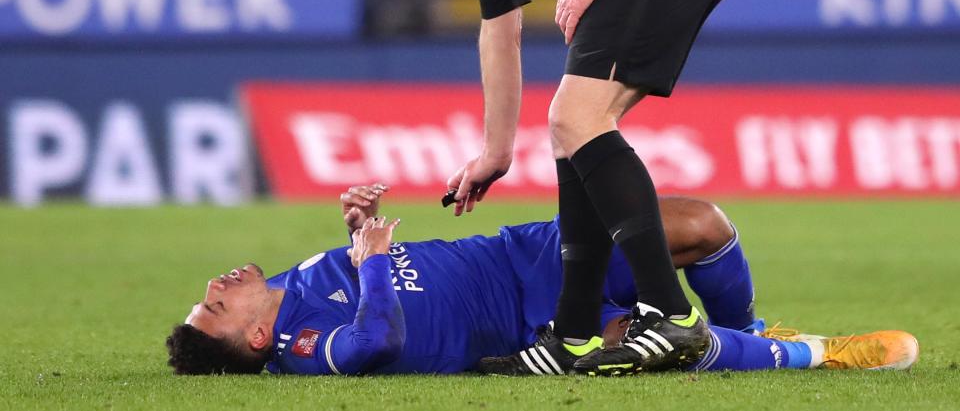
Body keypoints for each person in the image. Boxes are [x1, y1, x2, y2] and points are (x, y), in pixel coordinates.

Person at [316, 0, 739, 375]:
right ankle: (575, 334)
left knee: (576, 119)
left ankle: (673, 316)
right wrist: (496, 150)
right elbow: (499, 27)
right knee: (571, 132)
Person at [166, 185, 918, 376]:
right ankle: (819, 352)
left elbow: (373, 281)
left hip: (522, 252)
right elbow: (375, 338)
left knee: (704, 224)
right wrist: (368, 264)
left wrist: (358, 228)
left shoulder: (297, 285)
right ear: (256, 336)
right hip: (530, 323)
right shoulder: (302, 347)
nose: (215, 282)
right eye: (214, 305)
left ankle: (757, 329)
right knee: (663, 344)